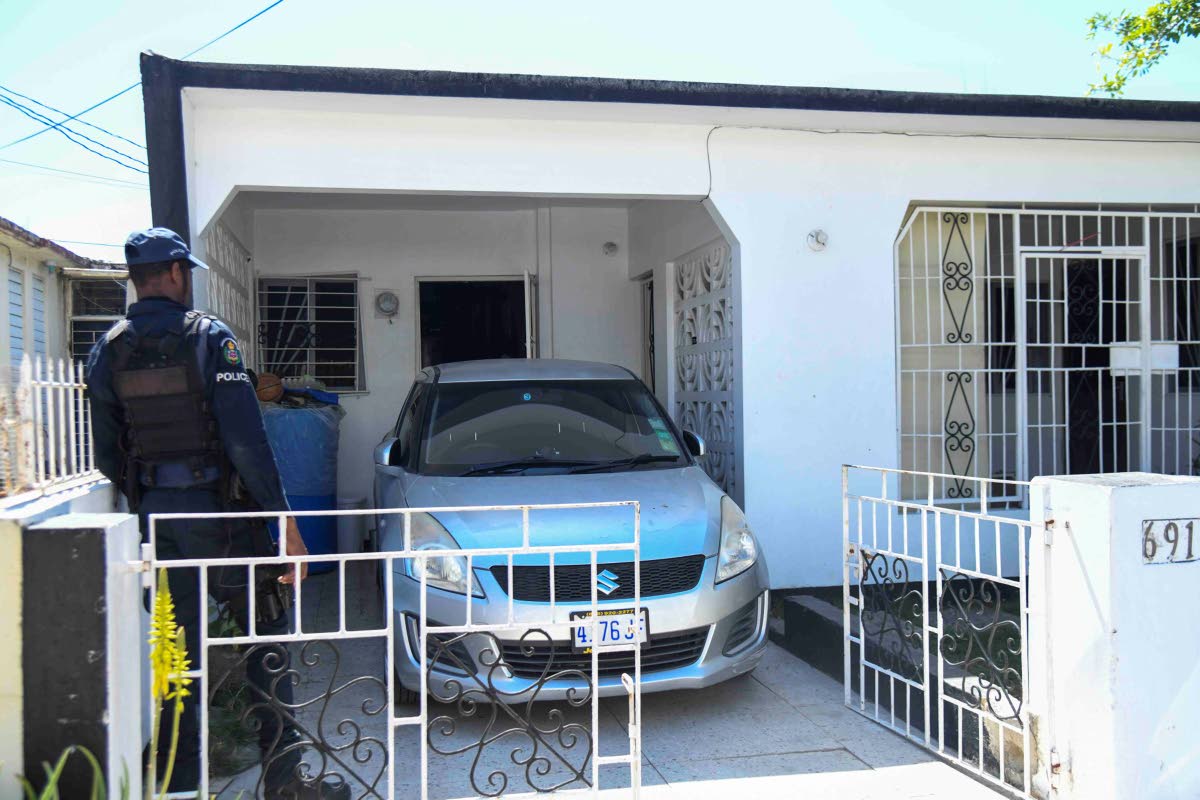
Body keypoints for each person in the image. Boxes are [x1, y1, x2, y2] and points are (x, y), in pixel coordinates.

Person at [85, 227, 350, 800]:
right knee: (266, 644)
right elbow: (248, 445)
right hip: (227, 522)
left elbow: (107, 452)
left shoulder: (109, 348)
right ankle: (284, 783)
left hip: (160, 523)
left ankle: (180, 784)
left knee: (177, 653)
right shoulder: (211, 340)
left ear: (137, 279)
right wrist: (286, 524)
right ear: (178, 273)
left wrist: (149, 497)